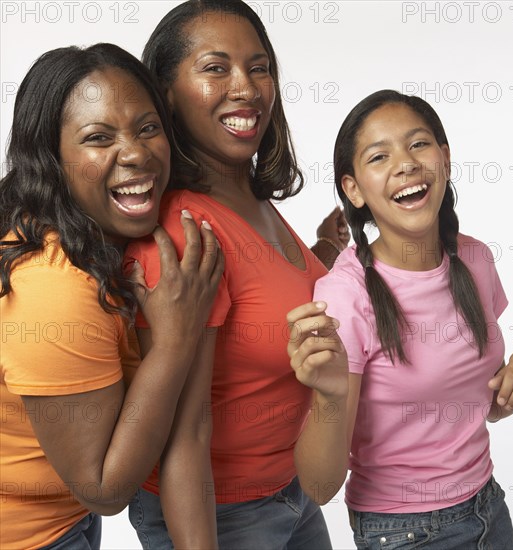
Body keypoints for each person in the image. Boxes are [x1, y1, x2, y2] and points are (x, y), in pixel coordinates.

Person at [126, 1, 350, 548]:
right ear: (165, 92)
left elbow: (263, 295)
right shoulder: (186, 232)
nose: (246, 87)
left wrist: (325, 248)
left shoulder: (247, 196)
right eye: (215, 67)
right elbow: (185, 433)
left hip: (288, 493)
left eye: (258, 66)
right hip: (221, 517)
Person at [0, 43, 223, 550]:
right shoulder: (53, 289)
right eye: (98, 138)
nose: (136, 153)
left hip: (60, 521)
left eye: (148, 128)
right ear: (52, 160)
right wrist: (174, 341)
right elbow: (103, 489)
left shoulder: (80, 228)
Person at [313, 89, 513, 549]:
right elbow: (319, 486)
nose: (406, 163)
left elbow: (477, 402)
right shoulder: (344, 296)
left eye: (418, 144)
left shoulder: (475, 259)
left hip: (488, 505)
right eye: (379, 156)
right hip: (402, 531)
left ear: (445, 158)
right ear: (353, 189)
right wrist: (327, 391)